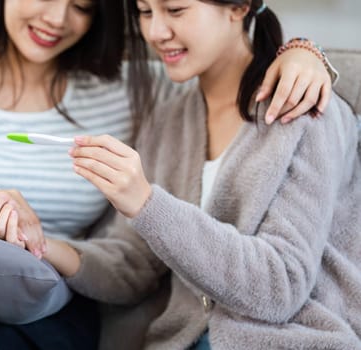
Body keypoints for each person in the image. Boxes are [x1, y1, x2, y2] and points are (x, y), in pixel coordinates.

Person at [0, 0, 339, 349]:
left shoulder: (131, 92)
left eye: (82, 5)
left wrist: (305, 53)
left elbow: (226, 78)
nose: (57, 18)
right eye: (144, 12)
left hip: (50, 304)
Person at [41, 1, 361, 349]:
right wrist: (40, 245)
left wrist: (146, 203)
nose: (156, 32)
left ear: (238, 8)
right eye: (145, 12)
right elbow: (133, 264)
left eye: (175, 10)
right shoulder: (168, 121)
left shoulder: (304, 111)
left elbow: (279, 285)